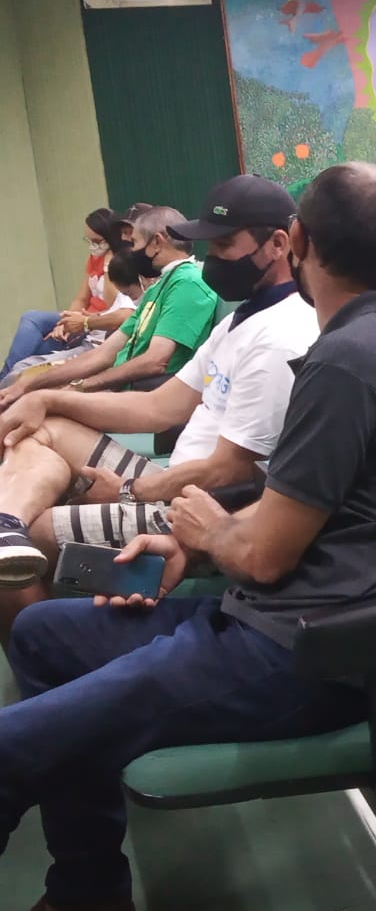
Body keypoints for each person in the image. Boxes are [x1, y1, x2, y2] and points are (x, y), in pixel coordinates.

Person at [0, 161, 376, 911]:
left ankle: (82, 889)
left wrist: (210, 530)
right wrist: (193, 542)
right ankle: (88, 885)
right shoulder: (373, 342)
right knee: (43, 632)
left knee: (13, 747)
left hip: (302, 655)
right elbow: (299, 512)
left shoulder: (349, 361)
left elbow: (264, 554)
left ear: (295, 241)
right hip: (270, 618)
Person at [0, 175, 319, 641]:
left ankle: (50, 657)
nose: (212, 258)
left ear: (278, 244)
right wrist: (44, 396)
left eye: (224, 245)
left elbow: (230, 470)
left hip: (201, 507)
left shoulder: (282, 336)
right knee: (42, 425)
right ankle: (6, 525)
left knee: (40, 531)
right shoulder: (242, 318)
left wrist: (131, 491)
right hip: (170, 481)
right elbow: (157, 407)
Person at [0, 207, 218, 407]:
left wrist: (81, 387)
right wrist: (28, 385)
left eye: (135, 242)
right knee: (23, 390)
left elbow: (155, 361)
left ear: (157, 242)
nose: (131, 251)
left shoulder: (188, 283)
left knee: (33, 410)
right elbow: (103, 354)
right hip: (121, 392)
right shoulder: (158, 288)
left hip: (142, 399)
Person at [2, 209, 126, 377]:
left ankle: (6, 379)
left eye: (97, 241)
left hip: (96, 323)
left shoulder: (121, 263)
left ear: (110, 238)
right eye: (88, 240)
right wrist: (66, 321)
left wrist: (107, 266)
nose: (92, 246)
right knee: (31, 318)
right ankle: (5, 376)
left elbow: (113, 303)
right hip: (80, 315)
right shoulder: (93, 258)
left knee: (34, 355)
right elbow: (81, 298)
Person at [1, 250, 144, 389]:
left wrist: (86, 323)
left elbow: (123, 316)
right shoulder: (124, 291)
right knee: (23, 365)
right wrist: (82, 319)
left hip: (94, 347)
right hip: (89, 338)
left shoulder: (138, 294)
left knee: (23, 374)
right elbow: (86, 301)